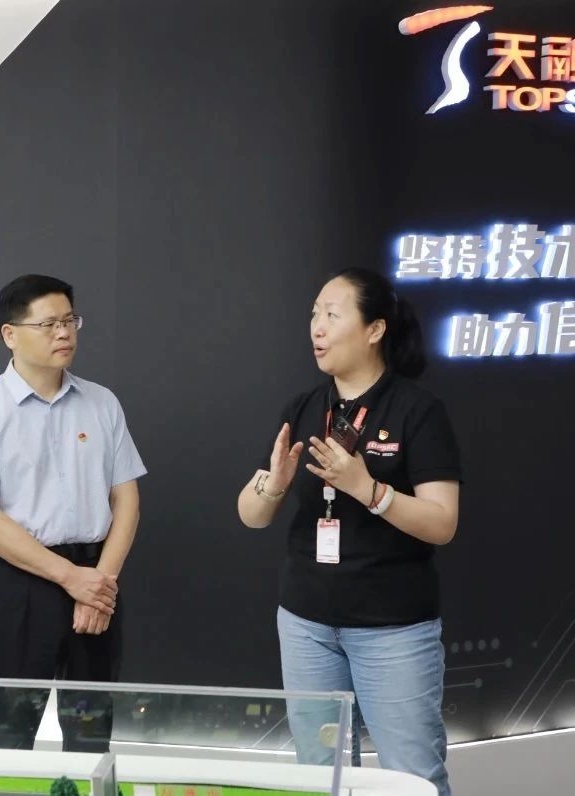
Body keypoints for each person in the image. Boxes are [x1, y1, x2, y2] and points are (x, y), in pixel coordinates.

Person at [236, 267, 461, 795]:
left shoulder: (417, 410)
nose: (317, 327)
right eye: (314, 314)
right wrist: (273, 486)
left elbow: (442, 522)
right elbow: (251, 514)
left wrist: (370, 490)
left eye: (332, 315)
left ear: (375, 329)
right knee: (322, 773)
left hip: (393, 628)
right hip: (306, 624)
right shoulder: (303, 408)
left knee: (412, 776)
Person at [0, 274, 146, 752]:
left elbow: (127, 501)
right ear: (10, 334)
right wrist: (71, 579)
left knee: (90, 730)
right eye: (49, 324)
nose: (64, 333)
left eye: (70, 321)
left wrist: (98, 587)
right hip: (18, 584)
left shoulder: (102, 402)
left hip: (96, 576)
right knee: (6, 733)